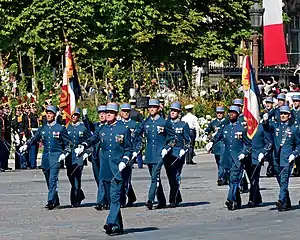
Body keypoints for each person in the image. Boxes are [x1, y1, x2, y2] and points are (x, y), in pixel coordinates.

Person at [75, 102, 132, 235]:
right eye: (106, 113)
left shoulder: (123, 129)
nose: (107, 115)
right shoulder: (102, 129)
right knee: (110, 198)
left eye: (110, 113)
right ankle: (119, 226)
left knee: (115, 197)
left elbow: (129, 148)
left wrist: (125, 160)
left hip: (117, 168)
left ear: (116, 114)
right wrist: (83, 145)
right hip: (105, 168)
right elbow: (94, 139)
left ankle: (110, 222)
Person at [20, 105, 72, 210]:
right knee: (48, 179)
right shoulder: (43, 128)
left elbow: (68, 143)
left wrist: (65, 153)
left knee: (53, 179)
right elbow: (35, 138)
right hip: (45, 158)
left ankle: (50, 200)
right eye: (47, 113)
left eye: (50, 113)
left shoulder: (60, 128)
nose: (48, 115)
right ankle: (55, 200)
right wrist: (26, 145)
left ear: (54, 115)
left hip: (55, 156)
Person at [134, 99, 176, 210]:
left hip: (159, 154)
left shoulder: (164, 122)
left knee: (154, 177)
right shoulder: (146, 122)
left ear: (158, 108)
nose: (151, 109)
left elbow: (173, 138)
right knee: (155, 178)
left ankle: (150, 199)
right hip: (149, 154)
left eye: (153, 107)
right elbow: (137, 133)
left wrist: (167, 148)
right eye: (149, 107)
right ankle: (161, 200)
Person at [209, 106, 251, 211]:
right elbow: (218, 136)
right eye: (230, 112)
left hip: (237, 159)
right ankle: (237, 201)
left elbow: (249, 144)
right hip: (226, 158)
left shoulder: (242, 128)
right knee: (231, 180)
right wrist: (211, 142)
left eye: (234, 113)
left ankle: (230, 199)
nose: (231, 114)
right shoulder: (225, 127)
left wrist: (244, 153)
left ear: (237, 114)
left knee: (234, 179)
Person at [263, 106, 300, 211]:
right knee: (280, 181)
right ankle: (286, 202)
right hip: (276, 158)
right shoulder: (276, 126)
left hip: (287, 158)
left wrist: (294, 154)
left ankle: (281, 200)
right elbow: (267, 128)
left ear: (289, 115)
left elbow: (299, 145)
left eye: (285, 114)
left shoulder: (294, 129)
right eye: (281, 114)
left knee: (284, 181)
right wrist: (265, 120)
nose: (283, 116)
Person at [165, 102, 190, 207]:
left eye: (175, 111)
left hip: (178, 154)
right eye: (171, 110)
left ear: (179, 113)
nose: (172, 112)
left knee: (176, 176)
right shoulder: (166, 124)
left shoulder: (183, 125)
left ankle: (172, 200)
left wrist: (184, 149)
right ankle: (177, 196)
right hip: (168, 154)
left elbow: (188, 141)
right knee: (170, 177)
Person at [66, 108, 91, 207]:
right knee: (70, 176)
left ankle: (75, 199)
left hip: (79, 155)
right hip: (69, 156)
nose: (74, 117)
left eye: (76, 115)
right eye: (72, 115)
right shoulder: (68, 127)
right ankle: (80, 194)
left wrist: (86, 152)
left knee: (77, 177)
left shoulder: (83, 127)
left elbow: (89, 140)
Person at [247, 123, 272, 208]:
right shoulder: (243, 123)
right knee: (251, 177)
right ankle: (258, 198)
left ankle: (252, 199)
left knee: (254, 178)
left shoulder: (261, 127)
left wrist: (263, 152)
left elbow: (268, 142)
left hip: (257, 156)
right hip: (246, 156)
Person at [119, 103, 138, 208]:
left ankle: (122, 200)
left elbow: (138, 139)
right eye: (124, 111)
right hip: (119, 154)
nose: (125, 113)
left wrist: (136, 151)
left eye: (127, 111)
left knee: (126, 179)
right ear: (121, 112)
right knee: (120, 178)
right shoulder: (118, 124)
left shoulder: (134, 125)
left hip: (129, 154)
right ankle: (131, 196)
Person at [205, 106, 226, 185]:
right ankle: (223, 176)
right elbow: (208, 129)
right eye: (218, 113)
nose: (219, 114)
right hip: (216, 145)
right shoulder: (214, 122)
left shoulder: (226, 122)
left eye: (221, 113)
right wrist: (206, 134)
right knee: (219, 163)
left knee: (222, 162)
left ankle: (221, 178)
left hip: (224, 144)